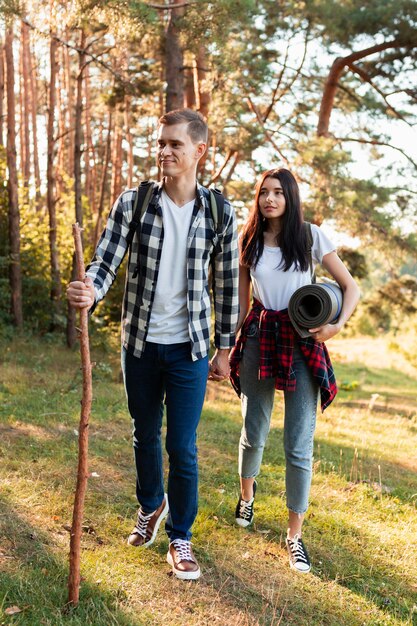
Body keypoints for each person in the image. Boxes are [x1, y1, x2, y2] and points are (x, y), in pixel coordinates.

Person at [67, 108, 239, 581]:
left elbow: (226, 286)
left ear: (199, 151)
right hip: (140, 343)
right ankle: (151, 505)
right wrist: (90, 288)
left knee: (181, 446)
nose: (164, 151)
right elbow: (105, 261)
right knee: (144, 434)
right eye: (161, 143)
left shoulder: (220, 211)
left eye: (175, 144)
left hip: (190, 348)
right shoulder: (134, 202)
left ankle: (180, 536)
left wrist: (225, 349)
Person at [229, 168, 360, 573]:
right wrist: (225, 347)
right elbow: (242, 301)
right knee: (254, 430)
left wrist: (337, 326)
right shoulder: (248, 240)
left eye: (278, 193)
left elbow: (350, 287)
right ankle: (247, 499)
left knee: (298, 443)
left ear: (290, 197)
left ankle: (294, 536)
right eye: (264, 193)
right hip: (261, 335)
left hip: (302, 340)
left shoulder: (309, 236)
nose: (269, 199)